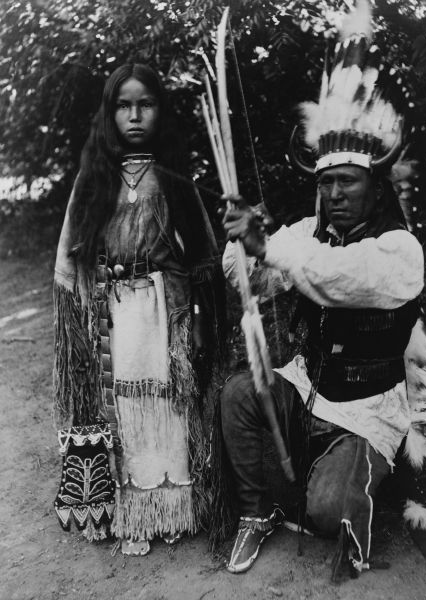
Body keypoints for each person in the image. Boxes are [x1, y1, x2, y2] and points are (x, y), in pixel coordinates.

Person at [215, 0, 425, 580]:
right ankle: (257, 513)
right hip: (310, 388)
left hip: (365, 410)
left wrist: (270, 247)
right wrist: (244, 244)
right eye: (326, 182)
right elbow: (250, 277)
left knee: (328, 512)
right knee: (239, 394)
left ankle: (332, 493)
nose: (334, 194)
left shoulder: (399, 250)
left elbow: (342, 278)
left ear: (375, 187)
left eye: (348, 183)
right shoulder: (310, 233)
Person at [53, 62, 224, 555]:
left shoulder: (174, 180)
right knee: (123, 409)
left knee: (168, 408)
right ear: (109, 115)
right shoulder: (92, 179)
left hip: (163, 314)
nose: (134, 115)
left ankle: (173, 508)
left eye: (144, 105)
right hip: (113, 316)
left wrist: (196, 321)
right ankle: (129, 511)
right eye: (123, 106)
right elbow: (69, 257)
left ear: (160, 112)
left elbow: (204, 260)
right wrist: (81, 321)